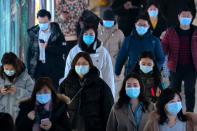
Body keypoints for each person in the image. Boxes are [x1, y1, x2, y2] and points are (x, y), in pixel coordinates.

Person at [60, 52, 114, 131]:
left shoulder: (100, 84)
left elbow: (108, 109)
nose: (81, 66)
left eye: (84, 64)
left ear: (90, 66)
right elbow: (58, 105)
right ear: (74, 66)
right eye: (78, 64)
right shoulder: (66, 84)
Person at [63, 23, 116, 97]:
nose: (88, 36)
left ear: (95, 36)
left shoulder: (103, 52)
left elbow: (108, 76)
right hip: (77, 91)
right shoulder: (74, 51)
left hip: (96, 92)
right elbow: (68, 72)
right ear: (82, 35)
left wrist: (110, 96)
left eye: (91, 34)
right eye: (86, 34)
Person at [161, 7, 197, 112]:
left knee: (189, 91)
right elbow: (164, 47)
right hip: (175, 66)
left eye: (188, 16)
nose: (185, 18)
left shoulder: (196, 31)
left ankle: (190, 113)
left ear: (192, 18)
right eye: (183, 16)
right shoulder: (171, 31)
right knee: (174, 91)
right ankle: (175, 112)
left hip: (191, 67)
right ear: (178, 17)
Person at [27, 9, 67, 89]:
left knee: (54, 91)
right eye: (40, 22)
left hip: (54, 68)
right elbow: (29, 53)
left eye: (44, 22)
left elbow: (63, 50)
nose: (42, 25)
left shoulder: (57, 33)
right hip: (38, 67)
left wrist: (48, 47)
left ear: (49, 20)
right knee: (39, 91)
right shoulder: (33, 33)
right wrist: (29, 69)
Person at [0, 52, 34, 119]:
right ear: (3, 66)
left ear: (16, 66)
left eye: (11, 69)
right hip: (2, 116)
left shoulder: (26, 78)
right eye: (6, 69)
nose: (9, 71)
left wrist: (17, 91)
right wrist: (0, 91)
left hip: (19, 116)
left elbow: (32, 96)